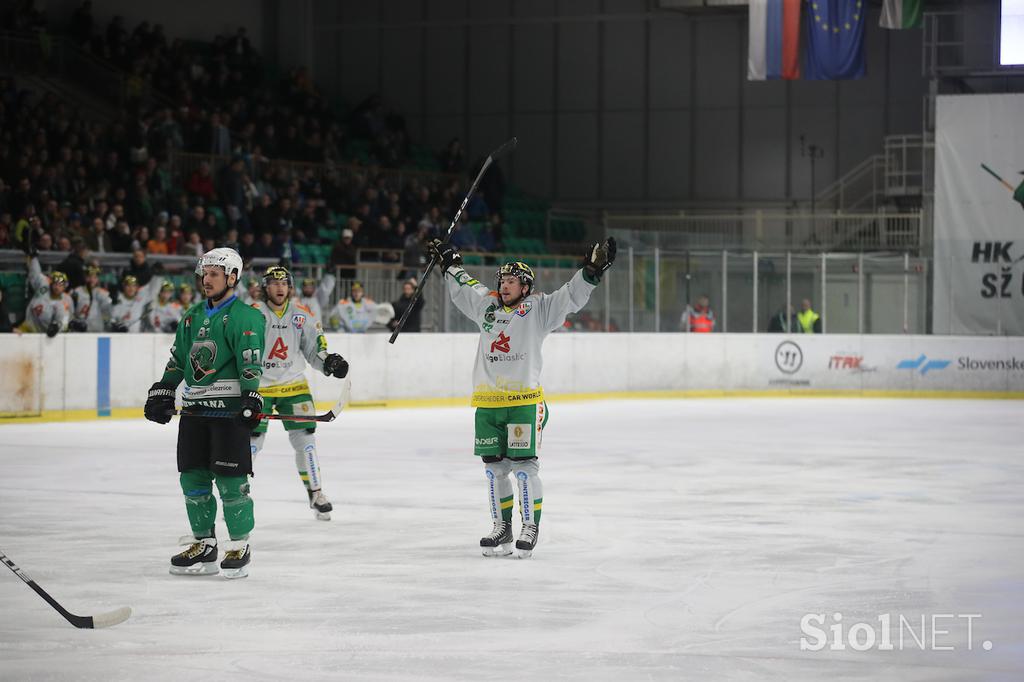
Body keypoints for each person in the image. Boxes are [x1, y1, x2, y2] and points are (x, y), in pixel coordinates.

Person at [427, 236, 616, 558]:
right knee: (494, 469)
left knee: (525, 467)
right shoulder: (486, 305)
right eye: (502, 280)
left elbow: (570, 296)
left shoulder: (539, 309)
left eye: (512, 281)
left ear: (525, 287)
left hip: (524, 403)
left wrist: (591, 271)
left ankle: (530, 526)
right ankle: (502, 528)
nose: (504, 286)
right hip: (487, 405)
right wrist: (450, 263)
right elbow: (465, 286)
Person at [143, 247, 266, 579]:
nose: (206, 280)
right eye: (204, 274)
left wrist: (252, 398)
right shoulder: (192, 315)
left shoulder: (246, 316)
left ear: (232, 277)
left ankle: (239, 544)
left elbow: (251, 363)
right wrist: (164, 389)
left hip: (229, 413)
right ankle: (205, 544)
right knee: (192, 479)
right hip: (196, 412)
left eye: (214, 274)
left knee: (231, 482)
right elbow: (179, 360)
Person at [249, 266, 350, 520]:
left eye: (284, 283)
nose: (280, 287)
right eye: (274, 283)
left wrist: (328, 363)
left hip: (293, 385)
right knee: (251, 443)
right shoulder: (252, 314)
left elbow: (314, 348)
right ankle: (238, 490)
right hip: (258, 387)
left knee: (306, 443)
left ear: (290, 287)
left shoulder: (302, 315)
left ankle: (316, 493)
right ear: (265, 287)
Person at [20, 255, 72, 336]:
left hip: (46, 336)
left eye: (60, 284)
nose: (57, 287)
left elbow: (65, 320)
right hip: (27, 329)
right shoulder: (43, 285)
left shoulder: (67, 300)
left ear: (65, 286)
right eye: (55, 283)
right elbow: (35, 273)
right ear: (51, 283)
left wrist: (57, 327)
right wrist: (33, 257)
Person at [69, 264, 112, 332]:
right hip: (79, 332)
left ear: (98, 279)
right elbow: (70, 312)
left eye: (95, 277)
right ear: (85, 277)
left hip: (97, 331)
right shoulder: (76, 292)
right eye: (89, 276)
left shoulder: (104, 293)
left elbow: (108, 313)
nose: (92, 279)